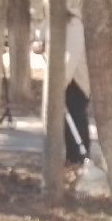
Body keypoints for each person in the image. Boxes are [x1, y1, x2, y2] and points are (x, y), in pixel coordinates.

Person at [33, 8, 90, 165]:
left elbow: (72, 57)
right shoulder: (49, 23)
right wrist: (38, 45)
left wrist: (61, 83)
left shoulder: (74, 25)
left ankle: (80, 159)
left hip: (76, 80)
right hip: (59, 78)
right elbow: (39, 37)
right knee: (64, 123)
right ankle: (71, 159)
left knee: (76, 118)